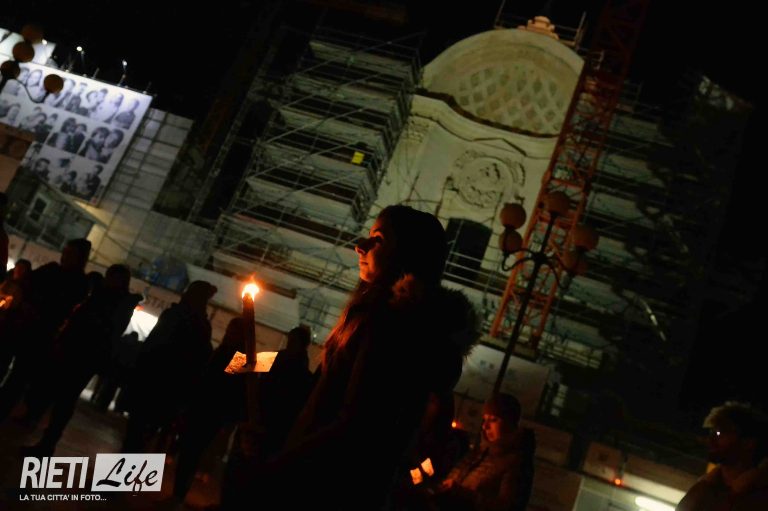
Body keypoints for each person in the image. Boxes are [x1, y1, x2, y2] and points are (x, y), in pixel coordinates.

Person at [252, 205, 478, 510]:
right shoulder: (376, 315)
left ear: (407, 254)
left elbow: (355, 425)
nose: (360, 246)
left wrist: (278, 468)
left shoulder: (390, 324)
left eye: (378, 240)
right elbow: (325, 396)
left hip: (329, 487)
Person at [20, 265, 141, 456]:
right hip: (82, 354)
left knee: (63, 399)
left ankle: (46, 441)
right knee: (63, 399)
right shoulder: (116, 302)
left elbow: (94, 325)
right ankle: (46, 440)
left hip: (81, 354)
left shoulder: (110, 302)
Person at [121, 280, 217, 452]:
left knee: (137, 433)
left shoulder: (178, 316)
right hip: (169, 387)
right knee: (144, 436)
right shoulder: (200, 324)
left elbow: (153, 346)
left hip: (155, 381)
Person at [430, 393, 536, 511]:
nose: (485, 426)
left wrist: (464, 494)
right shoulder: (479, 452)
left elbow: (508, 507)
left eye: (493, 420)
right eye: (484, 419)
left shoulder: (517, 463)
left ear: (510, 423)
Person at [676, 401, 768, 511]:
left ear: (748, 443)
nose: (710, 439)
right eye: (712, 432)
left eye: (719, 433)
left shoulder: (759, 498)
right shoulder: (704, 488)